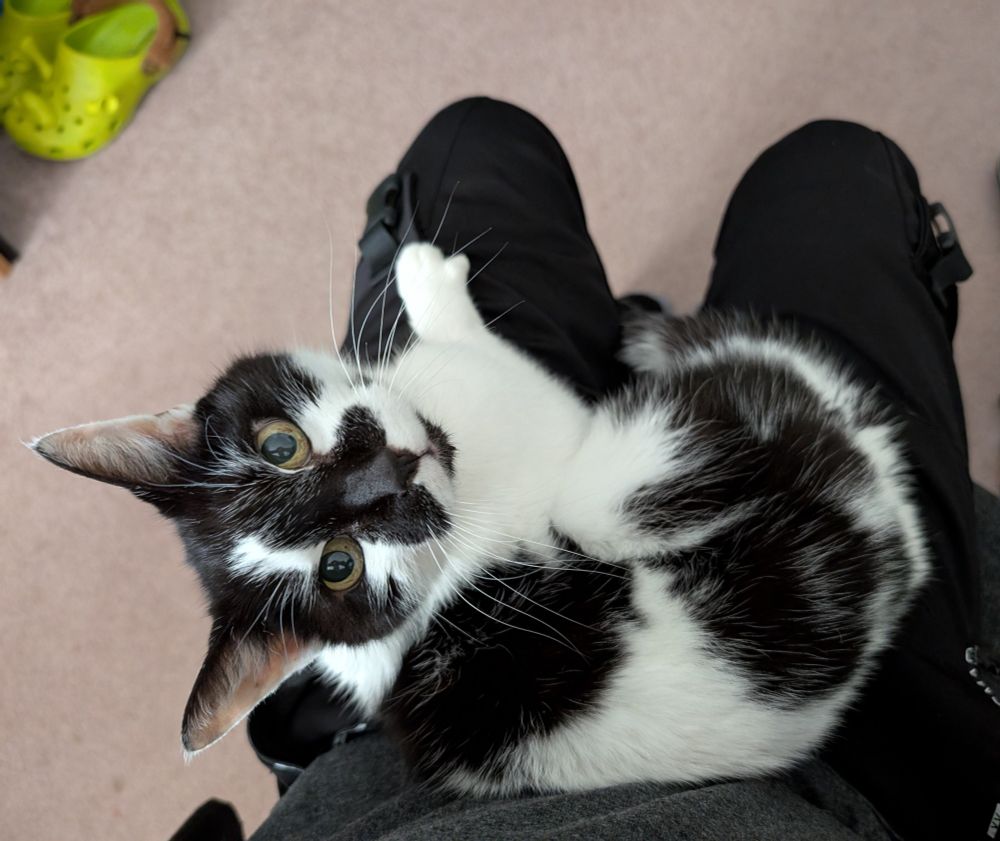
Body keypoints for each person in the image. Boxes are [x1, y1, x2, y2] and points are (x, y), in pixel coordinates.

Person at [239, 98, 997, 841]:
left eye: (284, 451)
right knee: (834, 168)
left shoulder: (381, 643)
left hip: (419, 769)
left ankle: (622, 338)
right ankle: (633, 339)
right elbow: (542, 432)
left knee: (477, 142)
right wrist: (447, 332)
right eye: (339, 559)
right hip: (864, 715)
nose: (377, 481)